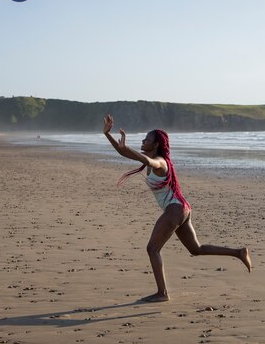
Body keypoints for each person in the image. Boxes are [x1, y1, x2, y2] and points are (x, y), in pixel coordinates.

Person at [103, 114, 251, 302]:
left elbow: (145, 160)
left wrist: (125, 147)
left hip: (175, 210)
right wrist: (107, 135)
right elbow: (125, 153)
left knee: (152, 249)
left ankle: (162, 293)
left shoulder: (160, 162)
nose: (143, 140)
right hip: (182, 209)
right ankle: (238, 252)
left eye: (147, 139)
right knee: (196, 249)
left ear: (155, 145)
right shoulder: (155, 159)